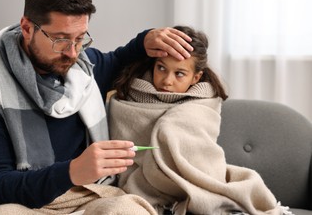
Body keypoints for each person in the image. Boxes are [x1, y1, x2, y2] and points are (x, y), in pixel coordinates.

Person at [0, 0, 194, 214]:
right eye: (60, 39)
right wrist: (71, 171)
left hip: (92, 197)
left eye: (80, 38)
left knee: (126, 209)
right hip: (25, 205)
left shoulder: (85, 68)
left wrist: (146, 39)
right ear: (27, 28)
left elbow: (121, 59)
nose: (72, 52)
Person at [109, 26, 291, 214]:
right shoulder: (127, 100)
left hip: (197, 186)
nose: (167, 81)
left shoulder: (204, 105)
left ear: (196, 77)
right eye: (161, 68)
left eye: (179, 73)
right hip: (140, 190)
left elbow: (204, 162)